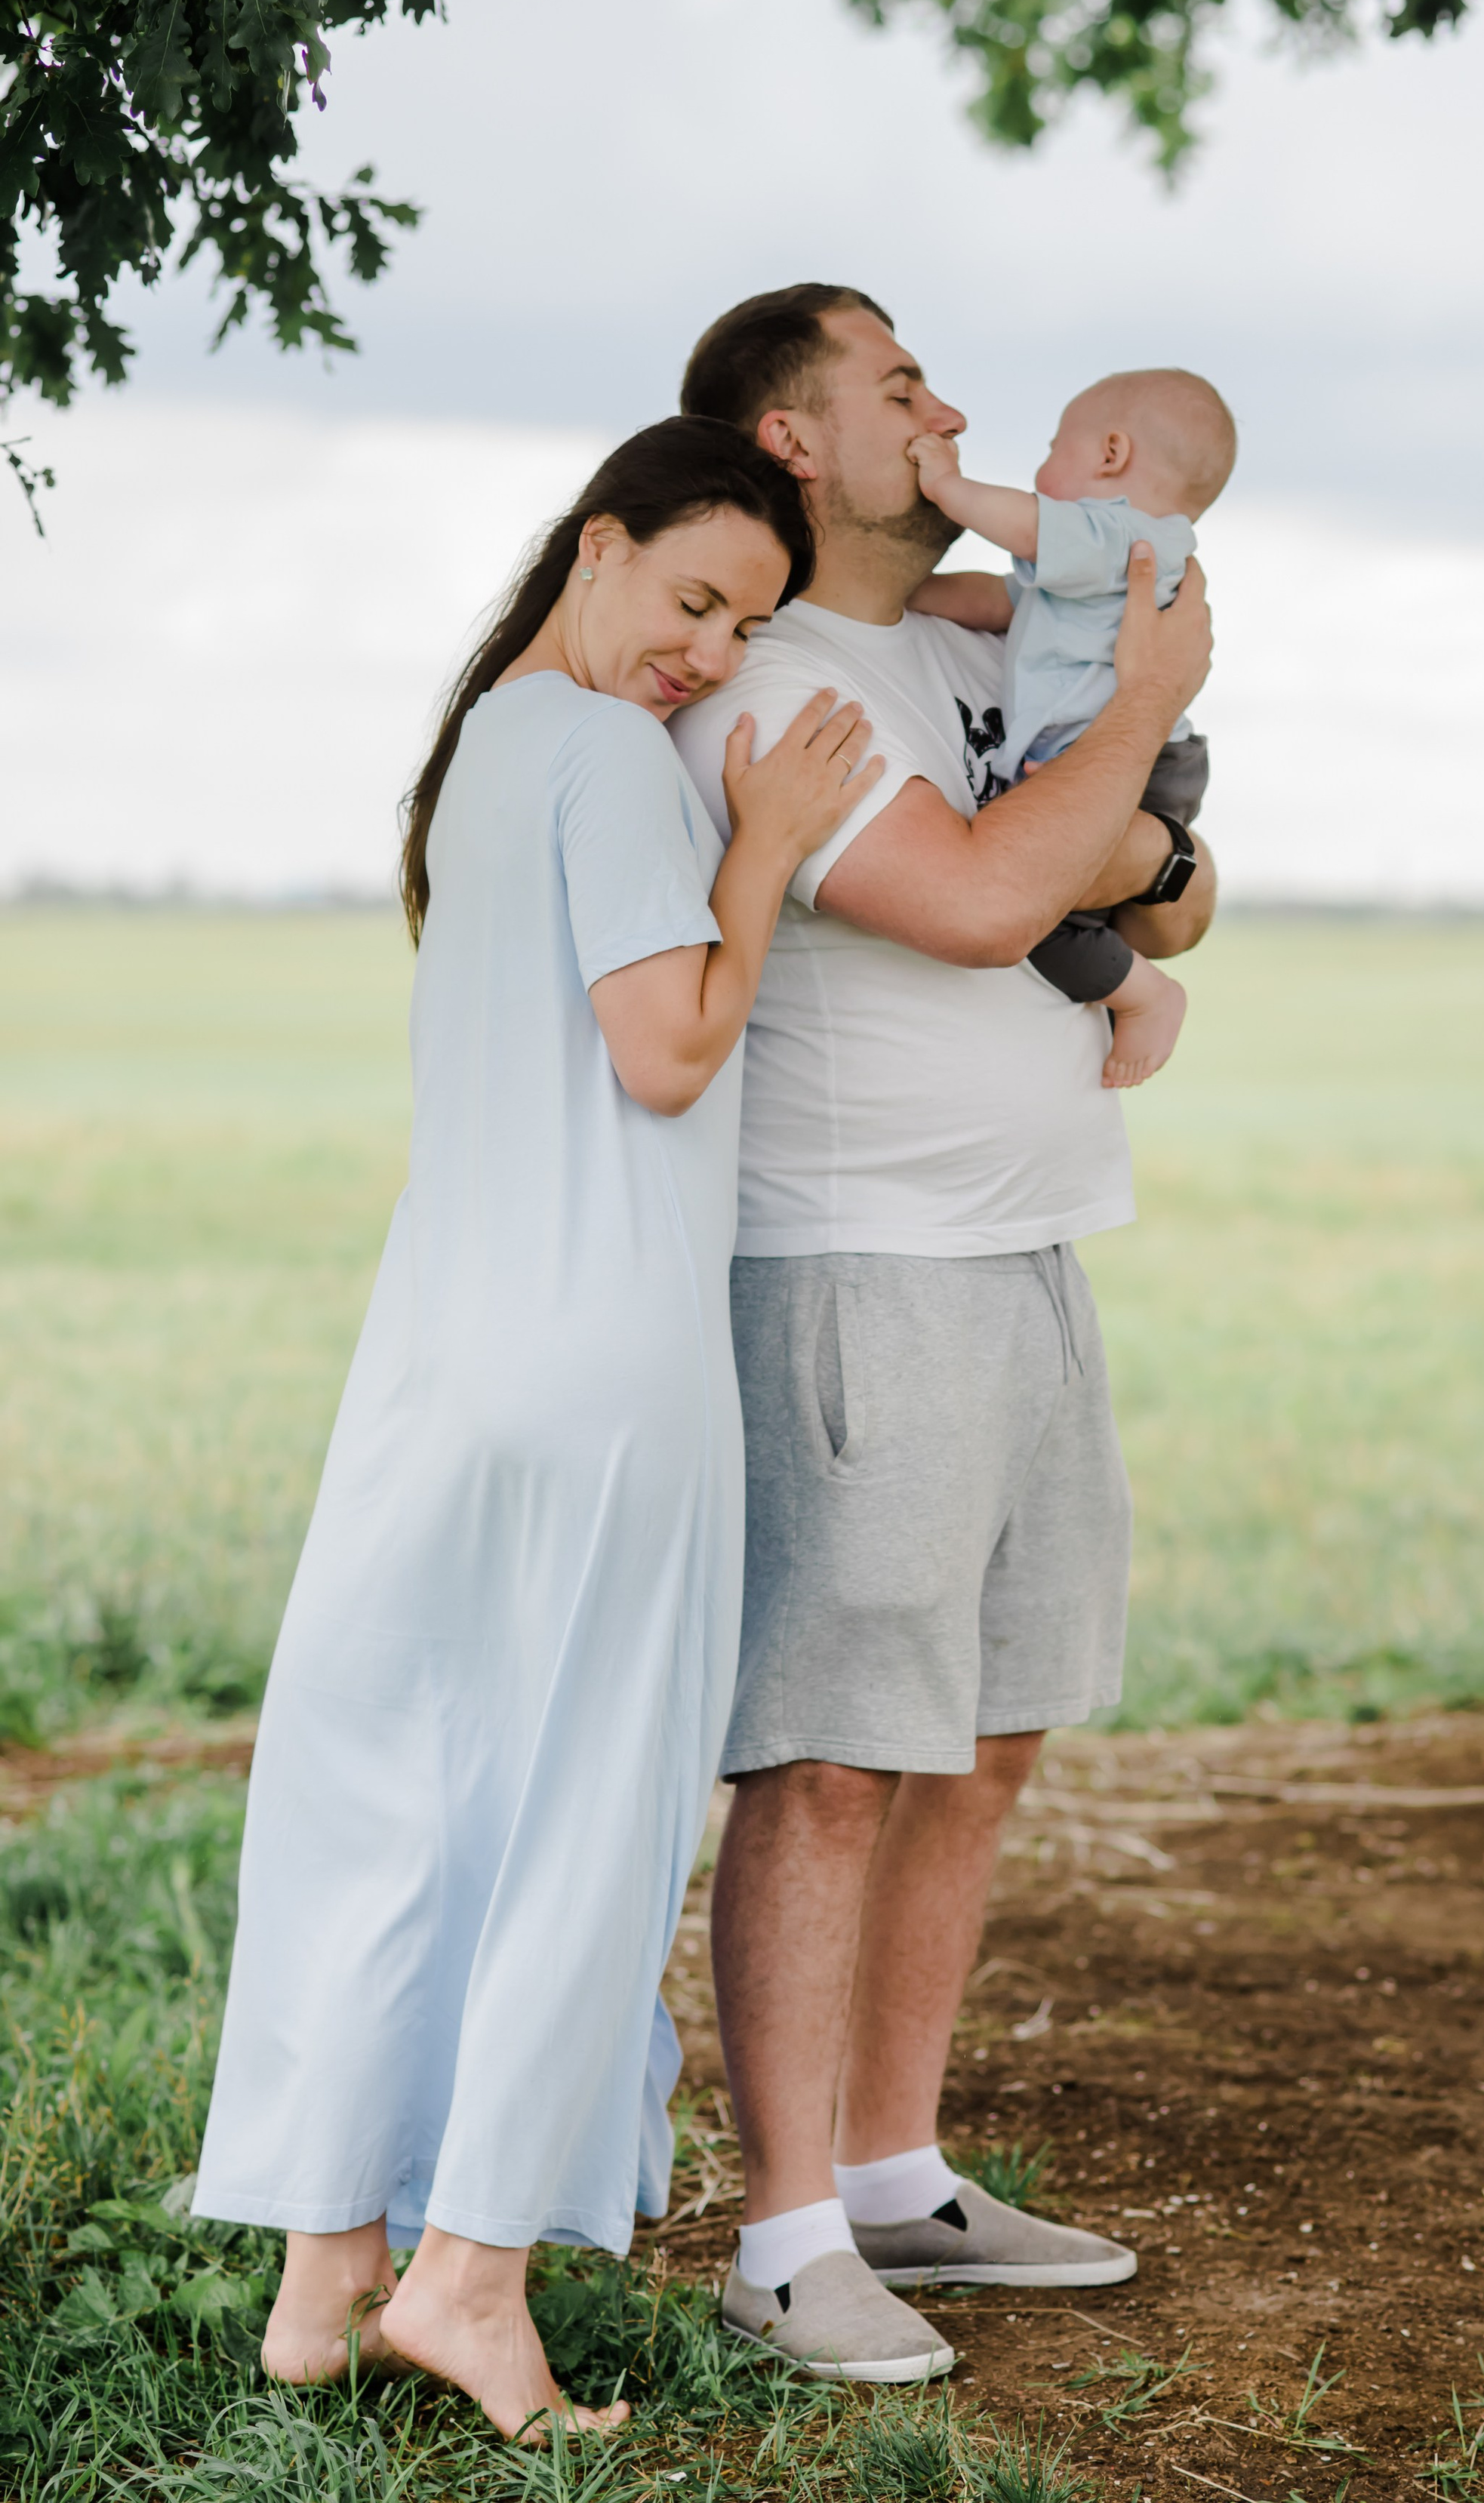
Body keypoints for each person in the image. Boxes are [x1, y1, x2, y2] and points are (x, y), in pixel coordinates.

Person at [191, 419, 880, 2440]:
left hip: (438, 1356)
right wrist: (757, 850)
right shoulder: (598, 758)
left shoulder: (488, 749)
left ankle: (327, 2267)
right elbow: (665, 1052)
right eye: (691, 599)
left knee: (396, 1789)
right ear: (601, 545)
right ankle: (472, 2276)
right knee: (580, 1806)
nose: (710, 654)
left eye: (745, 626)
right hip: (602, 1362)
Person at [670, 288, 1216, 2386]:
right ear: (795, 439)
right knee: (826, 1760)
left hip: (1031, 1249)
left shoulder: (972, 639)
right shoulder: (770, 681)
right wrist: (1137, 742)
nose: (955, 410)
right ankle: (785, 2232)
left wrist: (1150, 818)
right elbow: (994, 901)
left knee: (987, 1738)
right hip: (852, 1269)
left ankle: (897, 2171)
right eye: (902, 386)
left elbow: (1156, 891)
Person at [903, 365, 1235, 1088]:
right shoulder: (1099, 566)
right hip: (1140, 762)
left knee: (1046, 918)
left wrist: (946, 486)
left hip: (1136, 767)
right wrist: (914, 594)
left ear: (1111, 455)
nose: (1040, 468)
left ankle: (1144, 997)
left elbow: (1025, 523)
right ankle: (1124, 987)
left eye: (1055, 448)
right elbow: (1002, 599)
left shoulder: (1122, 536)